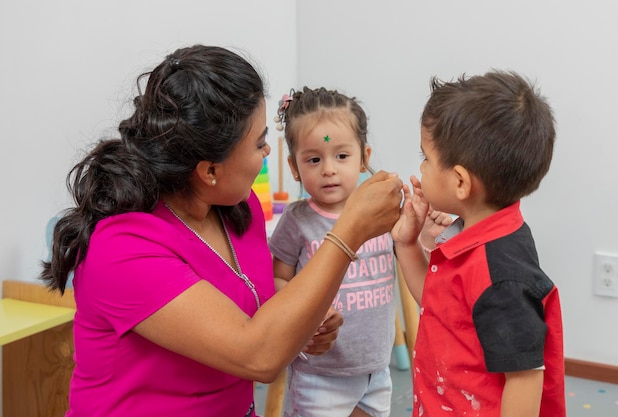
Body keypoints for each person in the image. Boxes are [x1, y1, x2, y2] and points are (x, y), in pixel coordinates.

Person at [40, 45, 403, 417]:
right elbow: (258, 355)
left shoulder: (237, 210)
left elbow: (256, 316)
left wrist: (302, 328)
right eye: (259, 142)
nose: (266, 154)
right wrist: (349, 230)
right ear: (209, 170)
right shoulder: (122, 249)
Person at [392, 71, 565, 417]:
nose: (421, 168)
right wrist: (407, 244)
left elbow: (525, 377)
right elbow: (438, 303)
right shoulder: (476, 236)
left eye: (425, 157)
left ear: (460, 182)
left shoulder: (501, 275)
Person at [269, 87, 398, 417]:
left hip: (375, 368)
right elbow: (277, 279)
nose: (328, 169)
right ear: (294, 166)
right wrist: (306, 315)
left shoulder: (382, 212)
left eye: (341, 156)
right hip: (319, 374)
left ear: (364, 157)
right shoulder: (297, 222)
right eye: (314, 159)